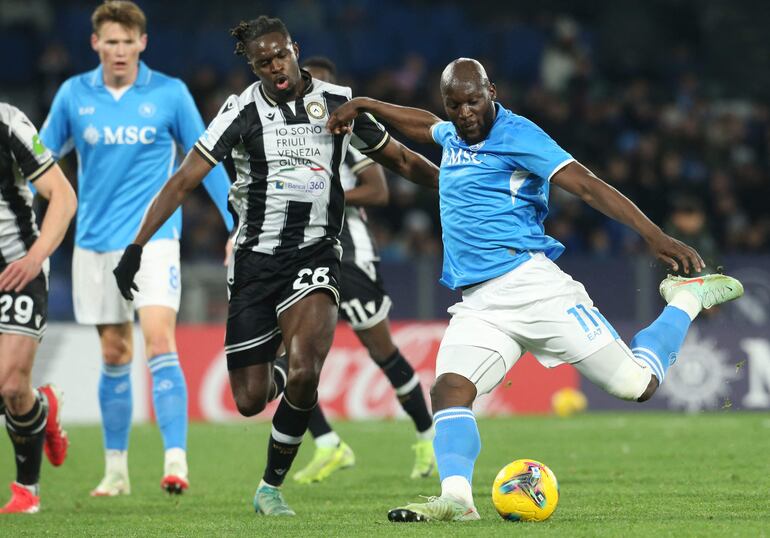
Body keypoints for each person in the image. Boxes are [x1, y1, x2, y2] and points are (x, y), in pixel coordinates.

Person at [327, 58, 744, 522]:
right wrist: (364, 104)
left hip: (534, 287)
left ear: (492, 92)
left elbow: (586, 186)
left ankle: (685, 299)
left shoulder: (518, 135)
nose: (464, 112)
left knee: (637, 385)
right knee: (449, 390)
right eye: (455, 104)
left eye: (473, 101)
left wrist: (655, 236)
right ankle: (458, 500)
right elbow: (426, 128)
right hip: (479, 303)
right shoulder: (453, 135)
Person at [112, 16, 438, 516]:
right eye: (263, 63)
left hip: (317, 254)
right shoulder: (240, 111)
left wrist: (459, 184)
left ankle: (270, 487)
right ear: (253, 65)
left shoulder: (337, 103)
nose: (275, 68)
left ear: (294, 49)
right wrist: (136, 246)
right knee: (250, 398)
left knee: (309, 369)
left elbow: (401, 161)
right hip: (255, 261)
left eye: (280, 56)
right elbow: (183, 180)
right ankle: (283, 375)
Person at [40, 1, 234, 496]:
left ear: (143, 43)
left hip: (153, 242)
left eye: (129, 42)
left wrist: (237, 222)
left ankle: (176, 462)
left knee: (159, 338)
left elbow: (204, 161)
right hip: (93, 244)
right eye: (112, 42)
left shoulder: (169, 94)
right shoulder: (72, 95)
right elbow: (39, 159)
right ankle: (116, 470)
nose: (120, 50)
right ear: (96, 44)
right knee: (114, 350)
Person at [268, 56, 435, 485]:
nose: (314, 95)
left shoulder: (348, 131)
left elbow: (379, 191)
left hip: (348, 251)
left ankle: (428, 434)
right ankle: (327, 445)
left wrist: (324, 191)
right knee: (292, 358)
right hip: (299, 252)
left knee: (381, 351)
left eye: (323, 86)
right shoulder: (282, 134)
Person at [0, 102, 77, 513]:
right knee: (11, 392)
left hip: (17, 268)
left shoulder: (8, 122)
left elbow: (62, 197)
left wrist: (34, 258)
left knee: (10, 386)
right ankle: (43, 404)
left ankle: (26, 491)